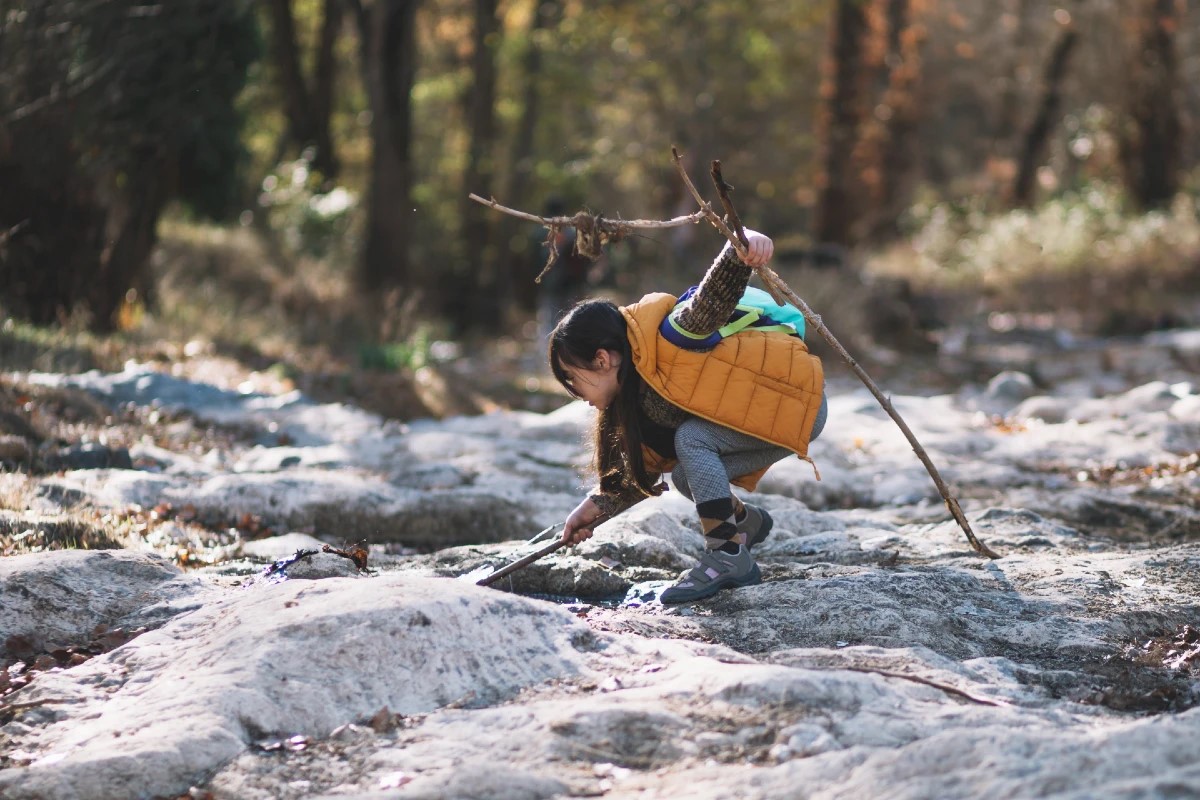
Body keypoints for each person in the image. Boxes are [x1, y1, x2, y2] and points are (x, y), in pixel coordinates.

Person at [547, 230, 828, 604]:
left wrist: (743, 245)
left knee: (692, 440)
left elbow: (715, 293)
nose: (578, 397)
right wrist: (593, 510)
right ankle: (745, 523)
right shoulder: (635, 393)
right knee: (685, 473)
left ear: (602, 359)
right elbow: (641, 474)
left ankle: (727, 557)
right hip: (774, 413)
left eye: (574, 380)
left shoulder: (674, 333)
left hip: (795, 403)